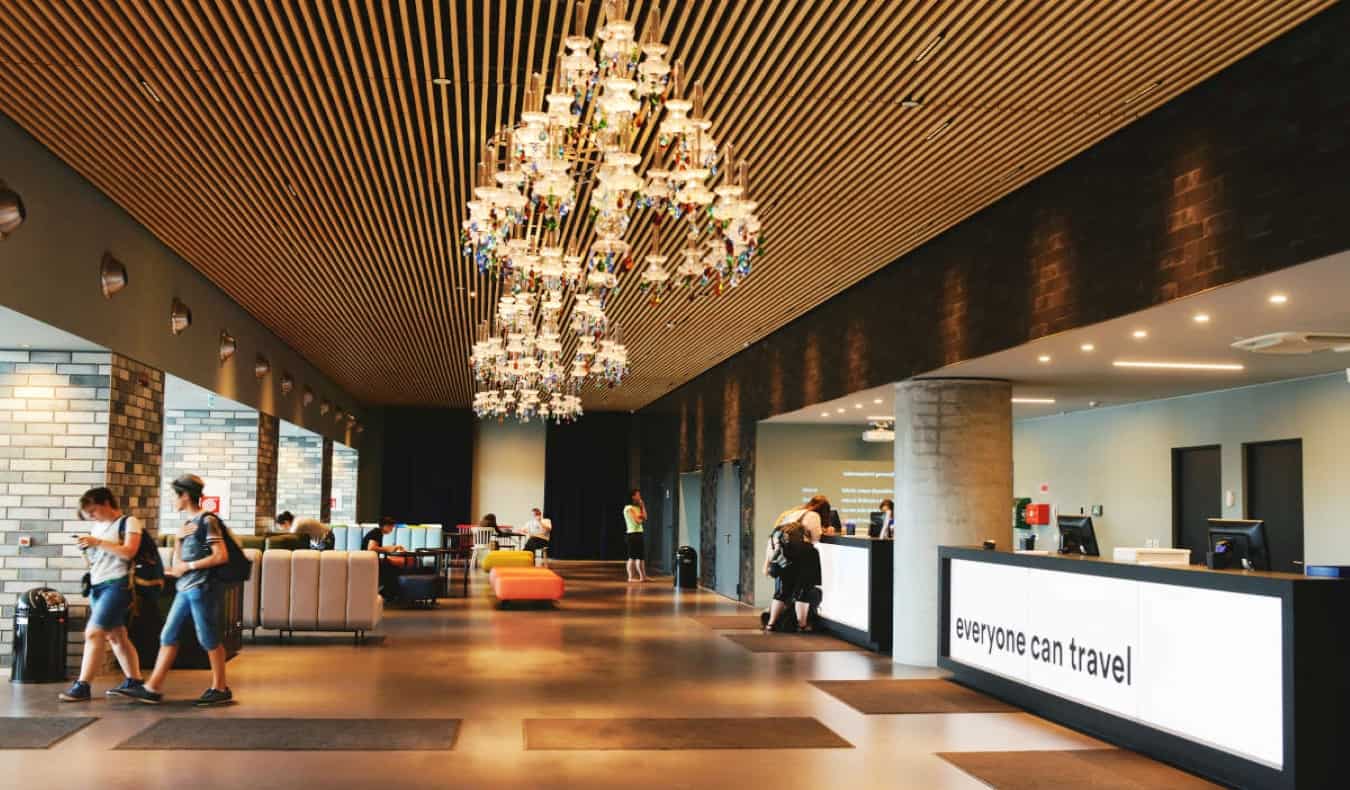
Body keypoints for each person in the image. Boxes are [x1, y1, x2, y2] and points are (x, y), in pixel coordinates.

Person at [123, 475, 234, 706]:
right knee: (168, 635)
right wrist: (178, 540)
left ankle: (220, 687)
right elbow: (177, 562)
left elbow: (221, 555)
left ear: (185, 495)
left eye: (175, 495)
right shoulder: (185, 525)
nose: (173, 500)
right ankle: (152, 687)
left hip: (201, 588)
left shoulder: (207, 521)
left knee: (208, 638)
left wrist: (190, 566)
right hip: (185, 588)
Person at [59, 488, 147, 702]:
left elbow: (129, 551)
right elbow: (101, 556)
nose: (92, 516)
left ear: (107, 503)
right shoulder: (98, 526)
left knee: (93, 633)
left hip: (118, 584)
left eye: (93, 511)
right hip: (98, 583)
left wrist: (97, 542)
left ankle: (83, 685)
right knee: (116, 636)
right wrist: (88, 547)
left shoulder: (129, 522)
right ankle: (134, 681)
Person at [763, 510, 823, 632]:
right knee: (803, 592)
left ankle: (771, 624)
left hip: (783, 562)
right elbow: (816, 539)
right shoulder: (808, 524)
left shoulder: (782, 527)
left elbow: (771, 546)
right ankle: (802, 625)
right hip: (804, 559)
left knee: (780, 593)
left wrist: (767, 565)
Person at [364, 517, 406, 596]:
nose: (392, 529)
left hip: (369, 560)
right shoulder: (377, 532)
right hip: (368, 562)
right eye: (391, 527)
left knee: (390, 565)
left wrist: (390, 548)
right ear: (385, 526)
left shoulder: (377, 532)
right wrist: (389, 549)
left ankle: (387, 593)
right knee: (393, 569)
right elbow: (371, 548)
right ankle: (388, 594)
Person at [623, 489, 647, 582]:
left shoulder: (637, 507)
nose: (639, 496)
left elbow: (645, 517)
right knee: (632, 557)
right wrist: (641, 517)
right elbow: (637, 521)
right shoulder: (628, 508)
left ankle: (643, 577)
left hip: (639, 533)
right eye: (638, 495)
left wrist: (642, 506)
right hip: (632, 534)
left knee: (641, 557)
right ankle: (630, 577)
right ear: (633, 496)